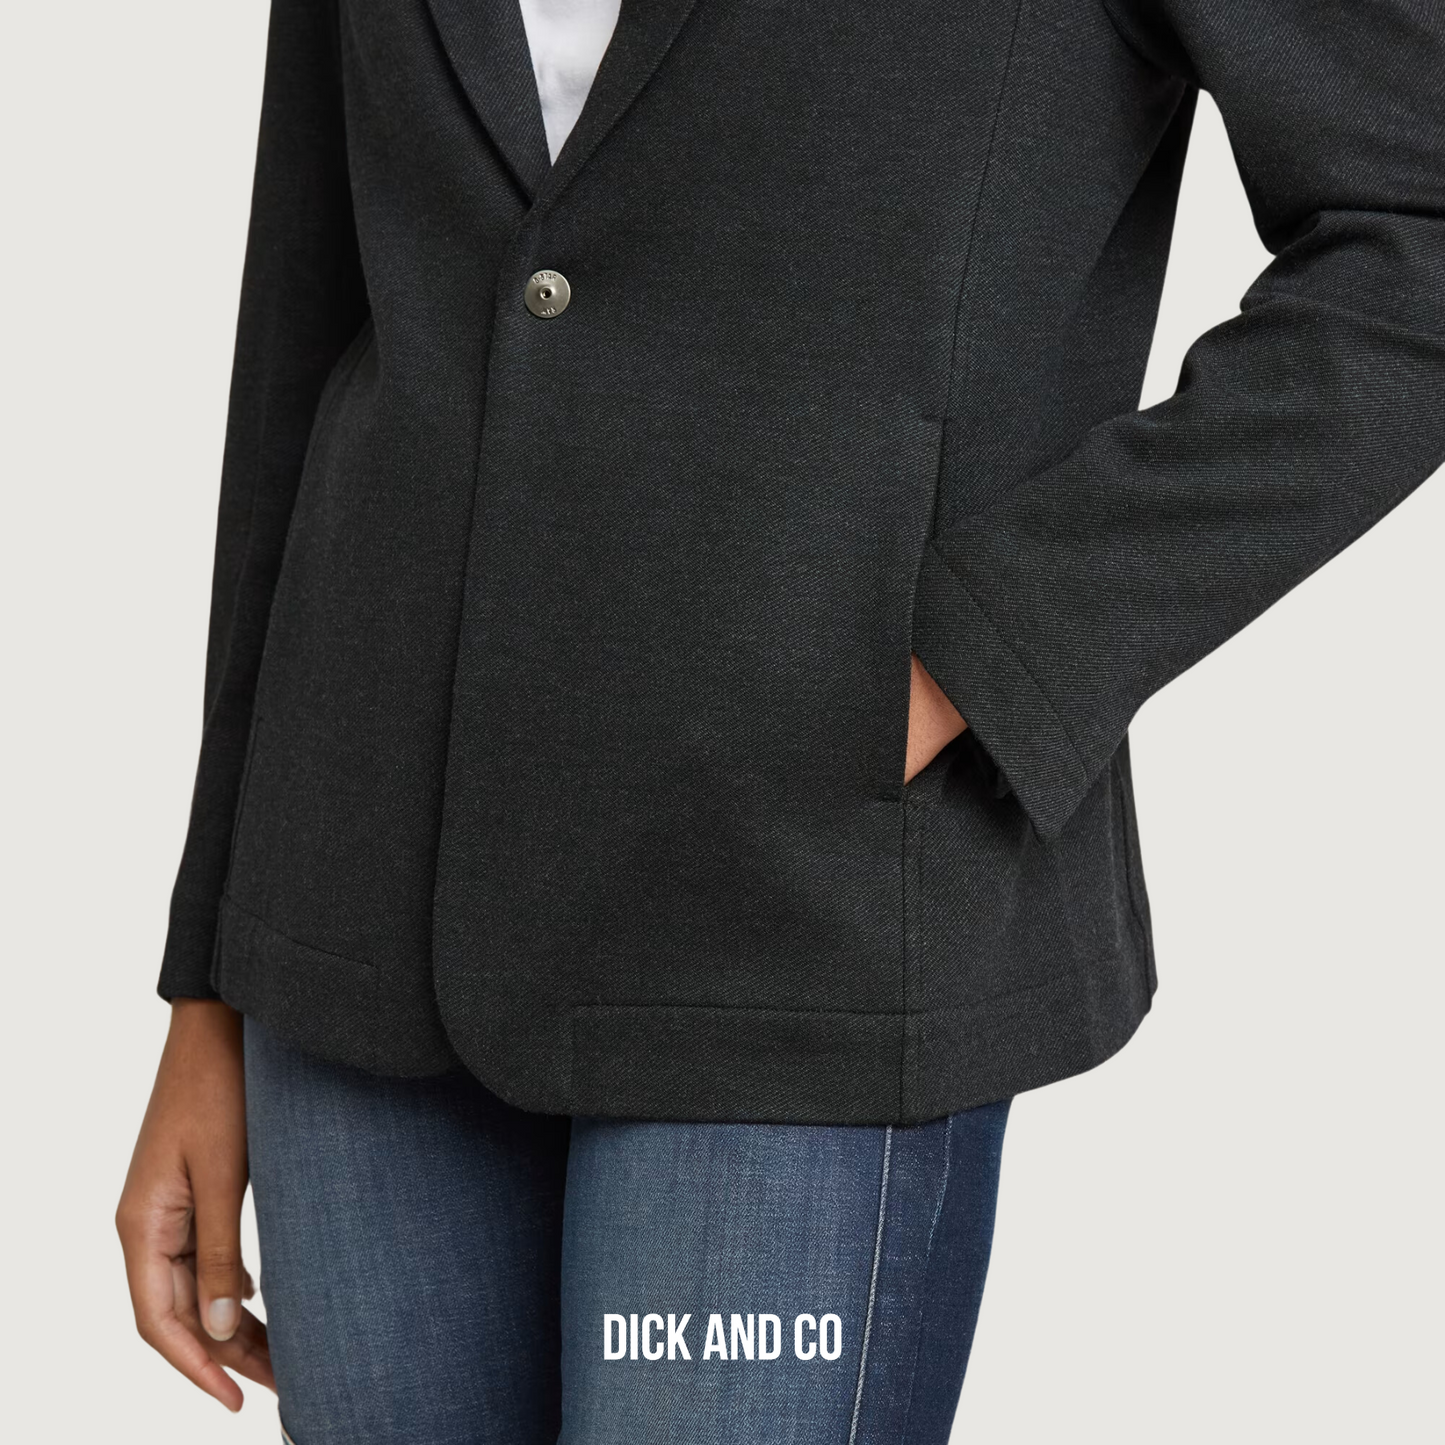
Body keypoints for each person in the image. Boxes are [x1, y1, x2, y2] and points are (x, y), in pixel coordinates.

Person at [116, 0, 1444, 1440]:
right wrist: (211, 982)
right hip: (356, 902)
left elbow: (1418, 229)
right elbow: (306, 313)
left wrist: (1000, 646)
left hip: (800, 915)